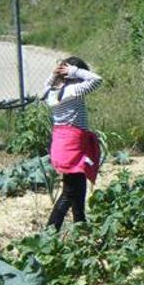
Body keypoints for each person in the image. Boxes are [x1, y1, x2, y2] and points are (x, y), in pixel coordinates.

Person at [41, 56, 102, 230]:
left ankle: (80, 225)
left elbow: (46, 87)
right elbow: (97, 79)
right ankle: (50, 232)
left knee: (79, 185)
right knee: (69, 192)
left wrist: (54, 74)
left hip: (62, 144)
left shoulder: (51, 92)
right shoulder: (73, 91)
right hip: (72, 145)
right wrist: (73, 71)